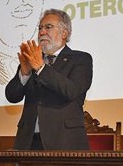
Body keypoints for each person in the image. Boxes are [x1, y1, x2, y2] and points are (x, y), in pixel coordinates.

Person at [5, 8, 92, 150]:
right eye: (40, 28)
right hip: (27, 142)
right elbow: (12, 96)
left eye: (48, 27)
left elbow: (71, 91)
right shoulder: (33, 60)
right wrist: (25, 73)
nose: (42, 32)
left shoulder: (81, 59)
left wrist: (41, 68)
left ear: (64, 33)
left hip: (64, 142)